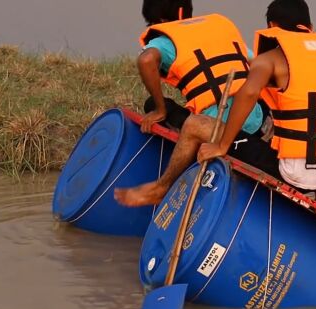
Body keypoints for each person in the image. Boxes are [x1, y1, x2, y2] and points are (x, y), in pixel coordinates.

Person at [197, 0, 316, 231]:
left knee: (194, 124)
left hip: (294, 175)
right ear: (309, 26)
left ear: (272, 26)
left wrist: (222, 145)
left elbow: (248, 93)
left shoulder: (269, 59)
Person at [114, 0, 265, 205]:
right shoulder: (217, 28)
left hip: (215, 128)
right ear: (184, 12)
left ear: (159, 20)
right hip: (254, 121)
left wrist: (160, 109)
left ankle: (162, 187)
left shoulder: (166, 40)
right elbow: (257, 63)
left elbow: (146, 60)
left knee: (159, 107)